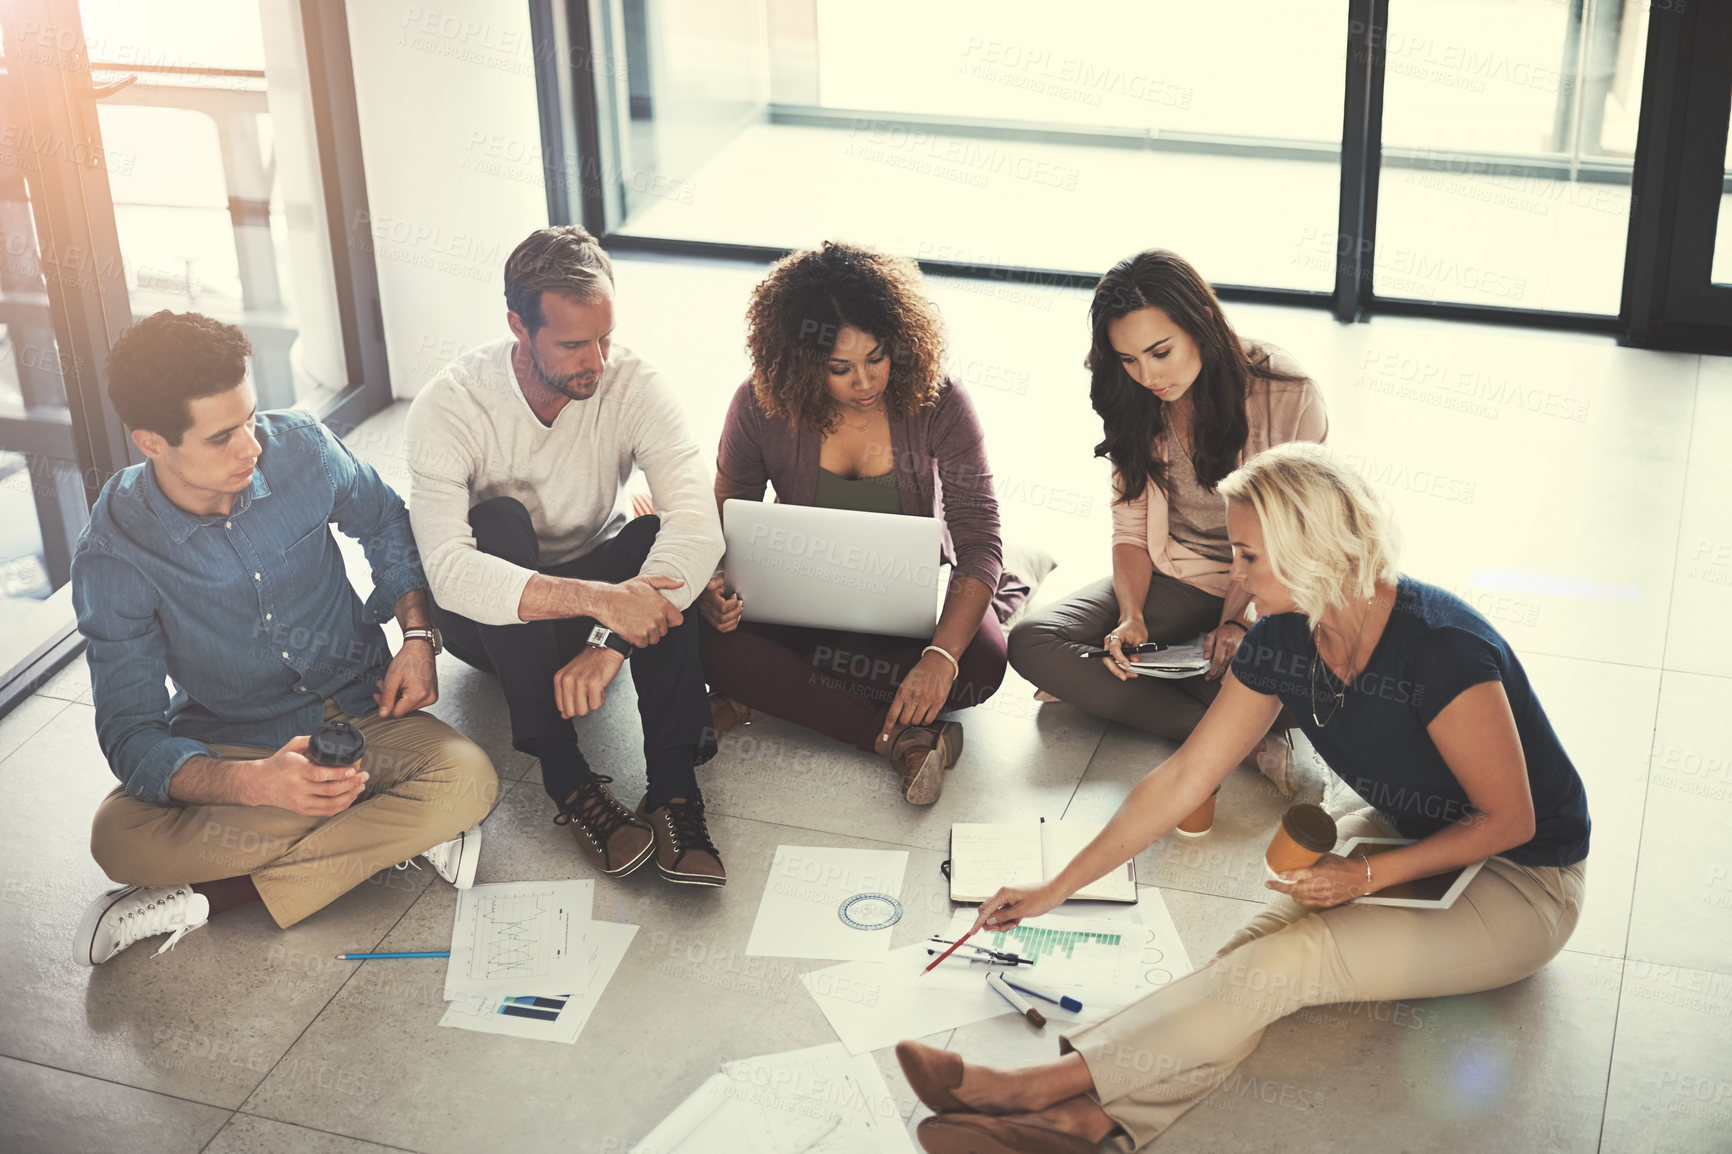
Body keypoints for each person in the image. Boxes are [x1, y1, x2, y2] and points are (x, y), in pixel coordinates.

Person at [897, 443, 1589, 1153]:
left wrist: (1367, 875)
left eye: (1249, 555)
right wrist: (1055, 888)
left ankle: (1033, 1090)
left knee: (1292, 963)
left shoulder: (1441, 650)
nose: (1235, 573)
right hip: (1406, 833)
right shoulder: (1285, 639)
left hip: (1526, 879)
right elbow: (1180, 781)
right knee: (1247, 960)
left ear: (1311, 549)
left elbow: (1511, 819)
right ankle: (1086, 1126)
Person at [72, 312, 495, 965]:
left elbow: (383, 519)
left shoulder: (301, 445)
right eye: (222, 437)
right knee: (118, 837)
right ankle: (392, 830)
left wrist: (416, 632)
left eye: (249, 417)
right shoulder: (115, 552)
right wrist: (254, 784)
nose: (251, 447)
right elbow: (132, 733)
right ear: (152, 443)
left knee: (469, 779)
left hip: (362, 707)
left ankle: (214, 898)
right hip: (237, 735)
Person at [406, 225, 728, 886]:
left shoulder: (635, 382)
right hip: (488, 628)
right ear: (518, 329)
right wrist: (602, 603)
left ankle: (673, 790)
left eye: (605, 337)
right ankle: (569, 781)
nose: (599, 361)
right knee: (496, 521)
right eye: (576, 344)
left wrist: (610, 638)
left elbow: (699, 522)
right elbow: (449, 571)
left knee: (655, 537)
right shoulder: (451, 405)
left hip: (593, 596)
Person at [1008, 249, 1326, 833]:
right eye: (1128, 359)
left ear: (1201, 324)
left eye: (1161, 352)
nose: (1150, 376)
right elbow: (1130, 529)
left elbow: (1293, 539)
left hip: (1265, 585)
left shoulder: (1287, 391)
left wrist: (1239, 622)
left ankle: (1194, 692)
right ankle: (1229, 735)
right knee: (1031, 642)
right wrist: (1130, 616)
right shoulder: (1132, 395)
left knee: (1302, 680)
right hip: (1173, 576)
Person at [699, 241, 1025, 805]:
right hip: (796, 609)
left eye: (877, 357)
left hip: (902, 618)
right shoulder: (758, 404)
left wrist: (940, 658)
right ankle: (900, 739)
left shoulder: (941, 402)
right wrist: (715, 585)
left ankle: (777, 694)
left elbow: (979, 535)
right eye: (840, 368)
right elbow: (725, 511)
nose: (866, 381)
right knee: (699, 637)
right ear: (799, 364)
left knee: (982, 662)